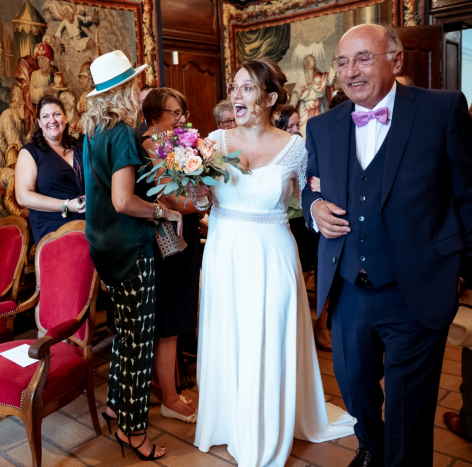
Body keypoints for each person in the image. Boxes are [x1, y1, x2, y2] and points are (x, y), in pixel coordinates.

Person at [302, 24, 472, 466]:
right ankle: (373, 449)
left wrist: (461, 274)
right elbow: (310, 186)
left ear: (395, 61)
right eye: (342, 62)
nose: (350, 71)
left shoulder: (442, 110)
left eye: (363, 58)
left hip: (416, 288)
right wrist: (314, 206)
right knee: (354, 386)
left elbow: (468, 196)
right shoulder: (321, 126)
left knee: (407, 409)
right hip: (348, 290)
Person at [194, 59, 355, 465]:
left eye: (246, 88)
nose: (236, 95)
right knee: (231, 334)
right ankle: (232, 420)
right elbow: (203, 200)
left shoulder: (295, 146)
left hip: (273, 254)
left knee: (268, 335)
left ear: (269, 98)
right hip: (224, 251)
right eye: (233, 88)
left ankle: (267, 425)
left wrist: (327, 216)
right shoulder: (212, 142)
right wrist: (194, 191)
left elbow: (309, 200)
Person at [82, 50, 182, 461]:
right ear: (124, 90)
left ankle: (115, 406)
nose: (140, 91)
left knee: (125, 333)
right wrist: (165, 211)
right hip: (128, 246)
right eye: (136, 84)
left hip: (102, 247)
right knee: (139, 340)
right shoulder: (121, 133)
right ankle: (133, 432)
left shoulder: (93, 130)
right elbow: (124, 201)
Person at [140, 87, 199, 423]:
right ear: (154, 115)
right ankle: (170, 398)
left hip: (183, 227)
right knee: (170, 320)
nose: (181, 119)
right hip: (168, 234)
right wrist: (204, 204)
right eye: (174, 113)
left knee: (174, 317)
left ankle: (167, 387)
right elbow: (170, 199)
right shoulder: (150, 144)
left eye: (182, 112)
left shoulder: (173, 143)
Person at [275, 104, 329, 350]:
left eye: (299, 125)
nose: (297, 130)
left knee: (319, 271)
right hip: (288, 219)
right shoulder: (276, 149)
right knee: (298, 276)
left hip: (309, 216)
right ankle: (299, 328)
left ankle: (320, 326)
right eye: (291, 126)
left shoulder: (305, 146)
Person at [16, 95, 85, 244]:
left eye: (57, 114)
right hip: (53, 229)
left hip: (87, 224)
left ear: (66, 118)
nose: (52, 120)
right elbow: (22, 196)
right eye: (45, 116)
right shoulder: (30, 152)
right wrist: (67, 205)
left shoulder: (79, 147)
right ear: (40, 123)